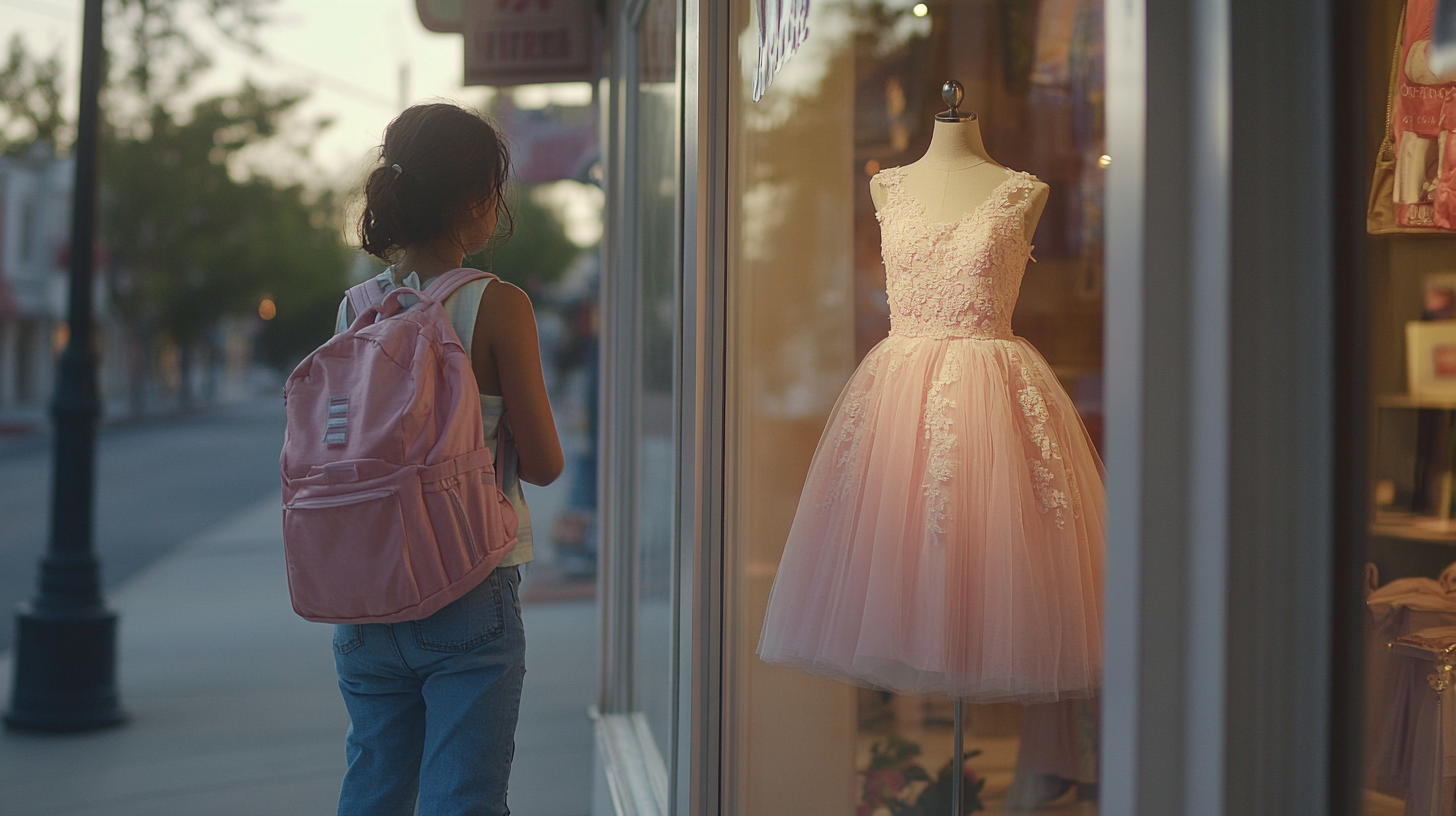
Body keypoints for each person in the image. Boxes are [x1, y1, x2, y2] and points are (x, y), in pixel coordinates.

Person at [330, 102, 563, 816]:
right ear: (473, 200)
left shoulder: (356, 308)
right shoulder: (496, 305)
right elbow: (547, 462)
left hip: (368, 592)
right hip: (471, 583)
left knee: (372, 788)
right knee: (463, 799)